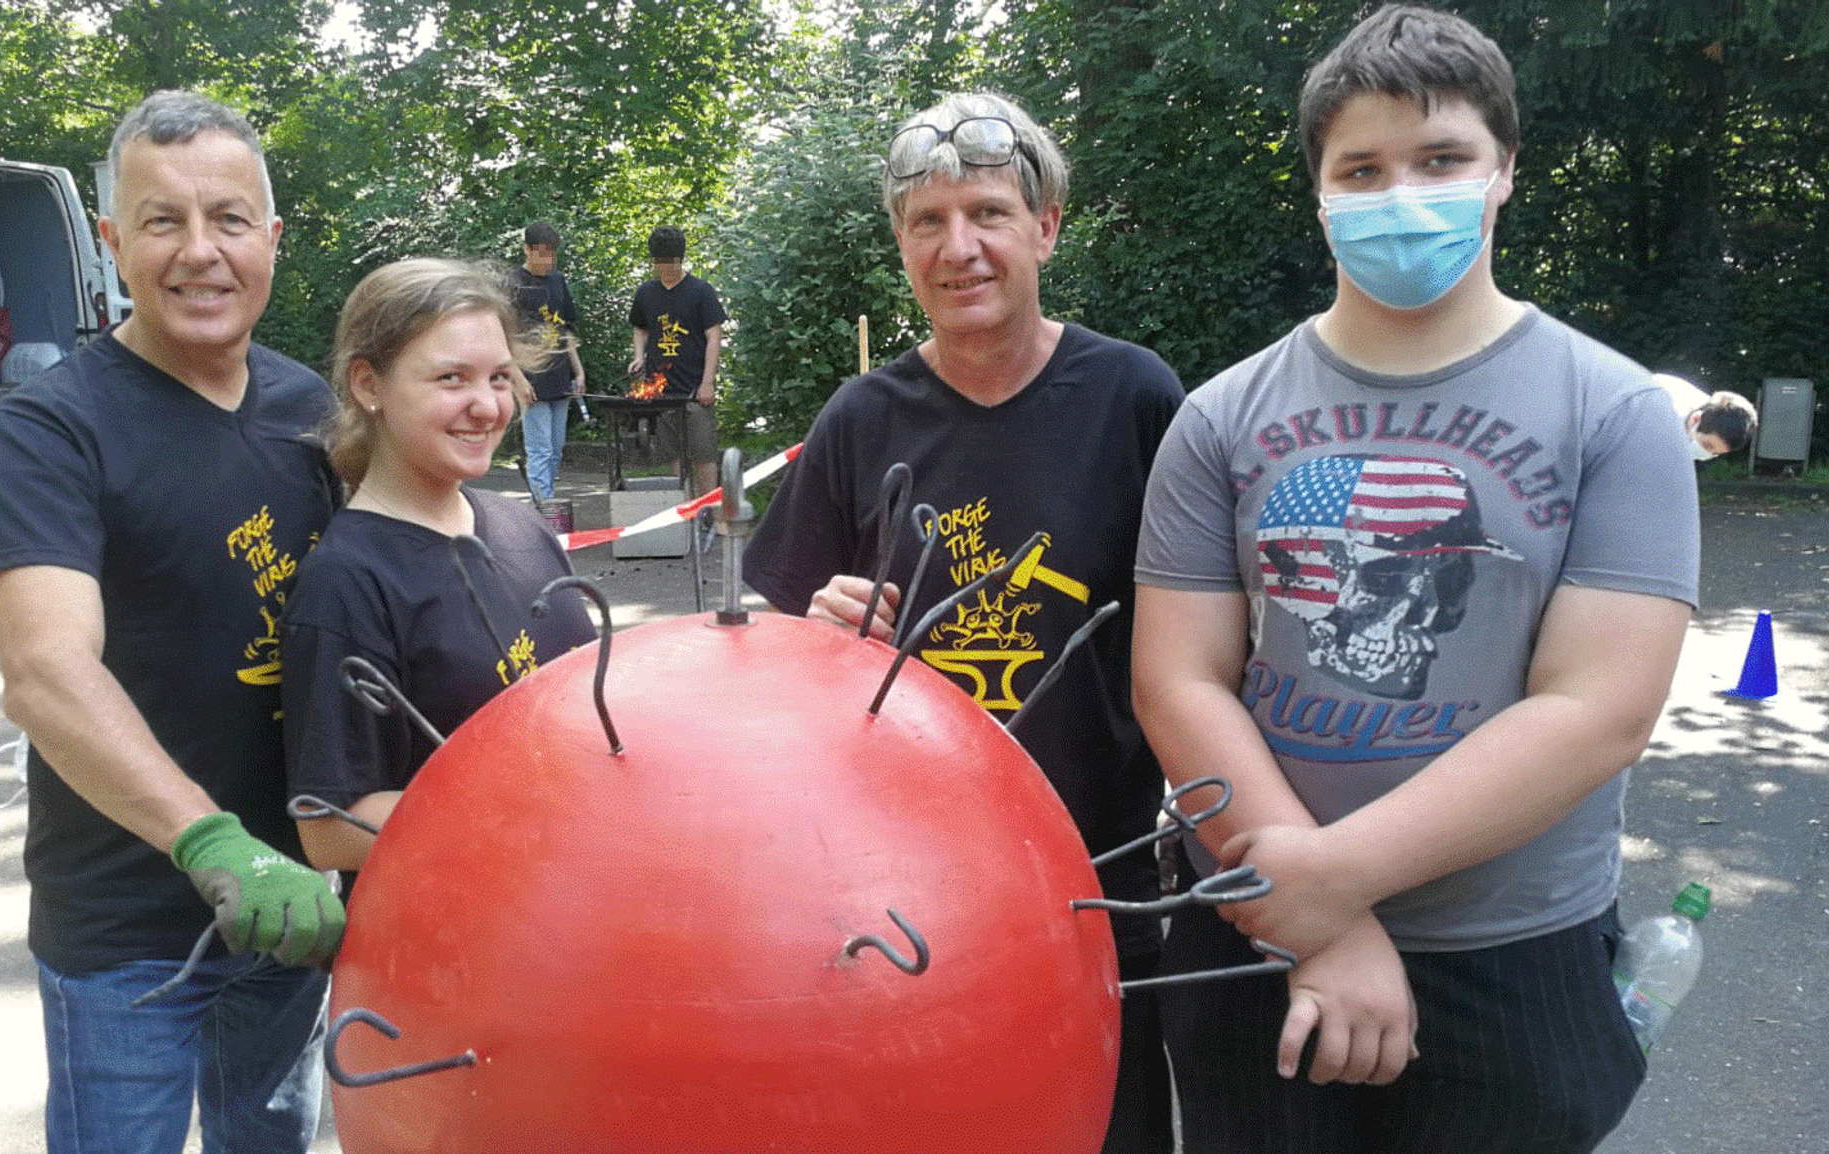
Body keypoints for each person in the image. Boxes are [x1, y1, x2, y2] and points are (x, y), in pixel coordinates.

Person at [1131, 7, 1698, 1151]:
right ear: (1319, 191)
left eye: (1439, 160)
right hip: (1250, 940)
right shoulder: (1219, 417)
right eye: (1364, 167)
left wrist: (1329, 883)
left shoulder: (1613, 411)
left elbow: (1596, 710)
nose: (1402, 194)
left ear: (1502, 173)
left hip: (1511, 951)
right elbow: (1177, 680)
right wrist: (1315, 928)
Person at [743, 92, 1186, 1154]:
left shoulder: (1132, 398)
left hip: (1098, 882)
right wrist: (812, 628)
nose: (959, 248)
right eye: (925, 223)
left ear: (1045, 225)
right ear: (899, 245)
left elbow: (1202, 649)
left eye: (986, 212)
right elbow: (773, 663)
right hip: (897, 895)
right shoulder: (860, 418)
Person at [0, 90, 344, 1154]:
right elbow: (42, 670)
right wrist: (212, 841)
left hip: (293, 914)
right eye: (162, 222)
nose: (198, 252)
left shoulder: (312, 410)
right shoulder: (47, 427)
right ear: (116, 244)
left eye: (226, 219)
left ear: (271, 240)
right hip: (128, 931)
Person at [282, 257, 596, 871]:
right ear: (369, 386)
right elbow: (328, 826)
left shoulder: (517, 525)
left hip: (575, 910)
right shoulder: (349, 579)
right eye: (452, 379)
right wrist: (533, 811)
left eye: (500, 378)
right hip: (455, 941)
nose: (486, 406)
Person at [627, 225, 726, 495]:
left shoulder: (700, 291)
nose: (666, 268)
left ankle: (707, 510)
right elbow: (641, 328)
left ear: (681, 258)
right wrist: (639, 356)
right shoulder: (646, 293)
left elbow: (714, 337)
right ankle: (682, 510)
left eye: (671, 262)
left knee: (704, 455)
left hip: (695, 388)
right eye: (660, 262)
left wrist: (708, 382)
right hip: (662, 389)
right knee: (674, 454)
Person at [511, 221, 588, 504]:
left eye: (551, 254)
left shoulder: (558, 282)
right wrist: (517, 380)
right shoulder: (514, 284)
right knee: (540, 450)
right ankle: (544, 512)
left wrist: (578, 371)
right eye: (540, 253)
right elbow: (503, 337)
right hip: (531, 379)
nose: (546, 260)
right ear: (527, 250)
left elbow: (566, 330)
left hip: (560, 377)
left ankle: (546, 502)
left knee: (556, 449)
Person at [1654, 372, 1758, 460]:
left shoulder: (1711, 411)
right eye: (1707, 445)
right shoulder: (1662, 415)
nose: (1706, 454)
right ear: (1695, 419)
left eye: (1715, 453)